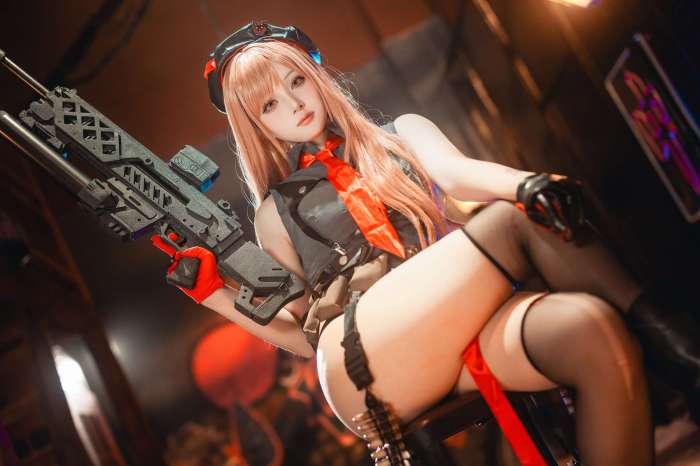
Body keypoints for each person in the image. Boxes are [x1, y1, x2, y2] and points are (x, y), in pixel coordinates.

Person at [151, 21, 700, 465]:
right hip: (366, 361)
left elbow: (458, 174)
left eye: (296, 80)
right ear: (257, 126)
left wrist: (527, 184)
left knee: (591, 330)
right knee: (511, 219)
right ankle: (673, 342)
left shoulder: (403, 134)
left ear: (316, 73)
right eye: (268, 105)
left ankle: (653, 339)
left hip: (456, 327)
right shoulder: (276, 213)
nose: (293, 103)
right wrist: (216, 297)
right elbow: (301, 334)